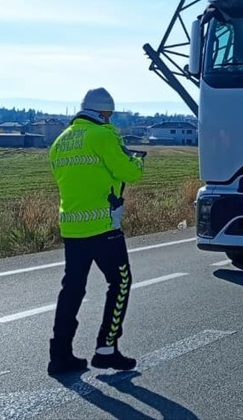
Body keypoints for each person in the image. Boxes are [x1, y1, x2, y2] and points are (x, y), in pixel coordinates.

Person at [47, 87, 145, 377]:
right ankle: (106, 348)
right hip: (103, 225)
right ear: (104, 113)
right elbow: (131, 173)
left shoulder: (60, 142)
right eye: (110, 115)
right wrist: (136, 161)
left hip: (72, 225)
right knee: (121, 282)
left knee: (72, 289)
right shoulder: (103, 135)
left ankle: (60, 355)